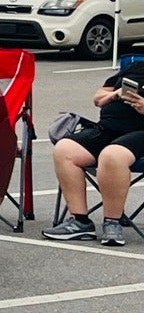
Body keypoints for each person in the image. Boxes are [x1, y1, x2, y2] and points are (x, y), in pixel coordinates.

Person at [43, 60, 144, 246]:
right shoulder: (135, 67)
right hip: (107, 128)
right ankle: (80, 222)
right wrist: (115, 95)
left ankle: (112, 223)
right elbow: (98, 97)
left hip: (140, 133)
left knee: (111, 155)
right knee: (65, 149)